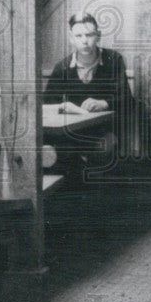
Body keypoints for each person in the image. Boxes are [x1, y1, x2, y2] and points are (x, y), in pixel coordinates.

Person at [43, 11, 135, 179]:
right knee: (58, 154)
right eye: (79, 36)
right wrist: (61, 107)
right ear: (71, 38)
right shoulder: (62, 67)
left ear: (98, 36)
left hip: (103, 131)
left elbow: (128, 99)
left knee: (102, 150)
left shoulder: (113, 60)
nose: (84, 41)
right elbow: (46, 103)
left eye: (89, 35)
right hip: (71, 133)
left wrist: (104, 103)